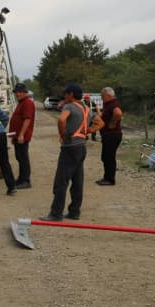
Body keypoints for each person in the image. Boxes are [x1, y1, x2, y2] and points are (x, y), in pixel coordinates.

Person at [39, 83, 104, 221]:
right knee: (77, 181)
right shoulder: (86, 108)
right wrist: (87, 131)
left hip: (69, 148)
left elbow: (62, 120)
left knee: (61, 182)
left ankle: (56, 213)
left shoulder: (69, 106)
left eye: (66, 93)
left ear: (71, 95)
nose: (64, 96)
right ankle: (74, 212)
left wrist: (63, 135)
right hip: (81, 147)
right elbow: (100, 123)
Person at [8, 83, 35, 189]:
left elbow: (27, 119)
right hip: (17, 135)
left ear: (25, 92)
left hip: (22, 136)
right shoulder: (21, 102)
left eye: (20, 92)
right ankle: (21, 178)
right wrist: (14, 136)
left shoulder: (28, 103)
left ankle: (26, 180)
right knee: (19, 157)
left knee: (23, 158)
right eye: (16, 92)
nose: (17, 94)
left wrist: (21, 135)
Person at [96, 87, 123, 186]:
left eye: (102, 96)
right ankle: (107, 177)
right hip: (108, 135)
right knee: (106, 156)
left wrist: (113, 122)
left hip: (112, 135)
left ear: (108, 95)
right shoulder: (108, 104)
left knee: (109, 157)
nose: (101, 98)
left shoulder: (113, 104)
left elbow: (118, 113)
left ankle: (110, 179)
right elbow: (103, 116)